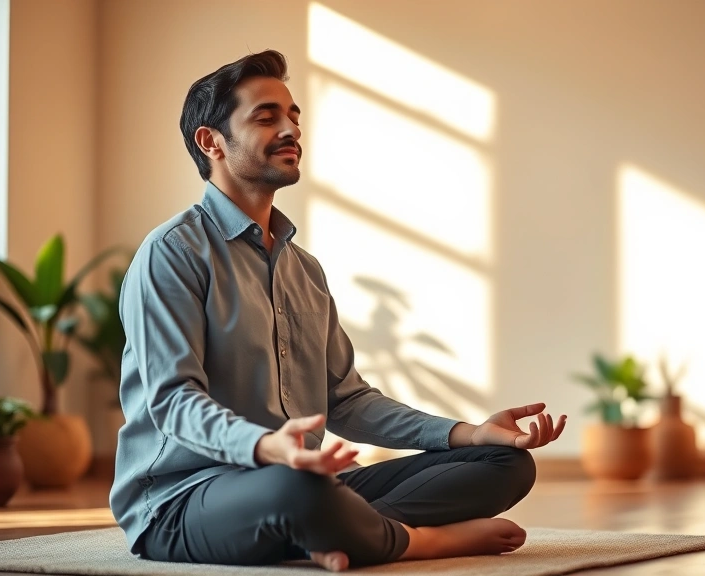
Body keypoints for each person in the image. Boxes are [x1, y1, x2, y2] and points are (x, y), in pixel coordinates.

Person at [109, 49, 567, 572]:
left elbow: (348, 402)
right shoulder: (172, 253)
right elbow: (172, 402)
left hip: (304, 482)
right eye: (266, 117)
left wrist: (470, 433)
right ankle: (419, 541)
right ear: (210, 141)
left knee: (505, 464)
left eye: (293, 115)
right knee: (297, 491)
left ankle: (339, 530)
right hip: (183, 500)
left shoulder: (304, 269)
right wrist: (267, 447)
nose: (290, 128)